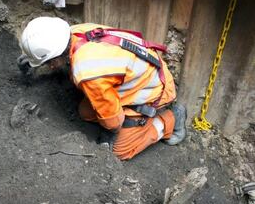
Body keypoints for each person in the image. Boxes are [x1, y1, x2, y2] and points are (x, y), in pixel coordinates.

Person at [17, 17, 186, 160]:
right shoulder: (74, 32)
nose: (50, 67)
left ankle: (170, 119)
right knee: (85, 112)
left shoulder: (88, 72)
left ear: (54, 59)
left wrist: (110, 131)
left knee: (118, 152)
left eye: (47, 63)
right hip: (142, 71)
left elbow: (115, 122)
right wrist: (33, 59)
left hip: (154, 90)